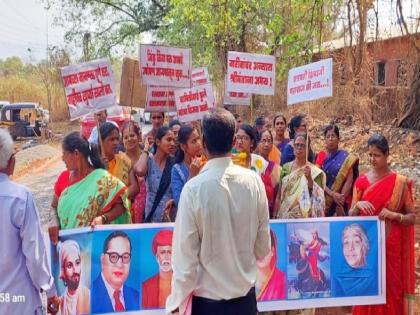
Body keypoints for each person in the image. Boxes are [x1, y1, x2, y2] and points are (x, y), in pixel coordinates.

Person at [166, 108, 271, 315]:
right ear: (233, 142)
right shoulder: (254, 182)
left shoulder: (193, 189)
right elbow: (262, 249)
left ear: (203, 143)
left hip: (208, 306)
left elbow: (185, 261)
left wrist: (174, 305)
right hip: (245, 304)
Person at [349, 134, 415, 315]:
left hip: (391, 250)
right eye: (369, 155)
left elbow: (412, 217)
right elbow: (350, 216)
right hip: (367, 250)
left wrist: (395, 215)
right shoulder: (361, 181)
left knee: (391, 290)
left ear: (387, 155)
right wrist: (357, 206)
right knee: (366, 291)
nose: (372, 159)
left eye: (376, 155)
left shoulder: (400, 183)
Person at [0, 128, 59, 315]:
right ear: (11, 161)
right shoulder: (19, 197)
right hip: (19, 302)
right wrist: (50, 290)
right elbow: (34, 254)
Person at [48, 132, 131, 240]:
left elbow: (122, 206)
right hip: (68, 248)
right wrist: (53, 220)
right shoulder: (63, 178)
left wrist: (103, 218)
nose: (62, 159)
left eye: (64, 154)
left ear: (76, 154)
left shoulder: (101, 178)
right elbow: (53, 207)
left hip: (93, 245)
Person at [276, 132, 326, 219]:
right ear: (293, 147)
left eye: (302, 145)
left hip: (305, 219)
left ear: (307, 149)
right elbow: (279, 194)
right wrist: (275, 214)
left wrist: (309, 179)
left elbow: (318, 198)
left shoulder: (315, 172)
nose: (299, 148)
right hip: (285, 216)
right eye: (297, 145)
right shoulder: (286, 168)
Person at [135, 126, 177, 222]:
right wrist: (146, 148)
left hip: (168, 218)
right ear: (158, 142)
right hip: (151, 217)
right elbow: (140, 171)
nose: (172, 144)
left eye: (174, 140)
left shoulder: (174, 163)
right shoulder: (149, 160)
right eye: (169, 140)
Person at [92, 231, 140, 313]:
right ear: (102, 259)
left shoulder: (137, 297)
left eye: (125, 257)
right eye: (113, 256)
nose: (119, 264)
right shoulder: (89, 295)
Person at [315, 125, 359, 216]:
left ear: (338, 139)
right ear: (325, 140)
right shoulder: (321, 156)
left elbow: (349, 180)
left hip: (341, 203)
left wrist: (340, 200)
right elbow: (318, 178)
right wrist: (332, 194)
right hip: (324, 201)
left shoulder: (346, 157)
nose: (330, 139)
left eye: (333, 136)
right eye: (328, 136)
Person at [333, 224, 376, 297]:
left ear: (365, 246)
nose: (350, 248)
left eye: (356, 242)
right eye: (346, 242)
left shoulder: (375, 279)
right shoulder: (337, 280)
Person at [100, 122, 138, 200]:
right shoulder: (94, 165)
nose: (116, 143)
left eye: (117, 139)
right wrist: (101, 170)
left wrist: (116, 198)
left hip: (125, 209)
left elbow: (135, 188)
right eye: (111, 139)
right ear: (101, 141)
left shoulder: (124, 159)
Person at [171, 125, 202, 210]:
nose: (199, 144)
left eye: (199, 138)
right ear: (183, 146)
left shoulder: (206, 161)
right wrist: (192, 176)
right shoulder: (177, 169)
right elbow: (179, 201)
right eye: (193, 141)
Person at [122, 121, 147, 223]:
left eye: (132, 135)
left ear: (138, 136)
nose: (129, 139)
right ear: (122, 140)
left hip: (147, 207)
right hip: (127, 209)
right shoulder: (120, 160)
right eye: (126, 137)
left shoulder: (147, 157)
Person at [142, 230, 174, 309]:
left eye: (170, 252)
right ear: (157, 257)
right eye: (163, 252)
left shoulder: (182, 282)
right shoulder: (146, 286)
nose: (166, 257)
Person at [58, 240, 90, 315]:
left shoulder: (89, 296)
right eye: (69, 265)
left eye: (77, 263)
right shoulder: (60, 302)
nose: (75, 270)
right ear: (63, 270)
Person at [256, 230, 286, 301]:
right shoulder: (243, 282)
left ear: (272, 251)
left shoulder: (283, 280)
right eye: (257, 248)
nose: (261, 254)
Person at [258, 129, 282, 217]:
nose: (266, 144)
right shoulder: (252, 165)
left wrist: (275, 215)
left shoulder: (277, 169)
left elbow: (278, 196)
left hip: (270, 214)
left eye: (269, 141)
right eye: (263, 141)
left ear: (272, 144)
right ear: (257, 143)